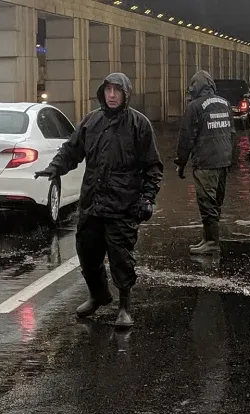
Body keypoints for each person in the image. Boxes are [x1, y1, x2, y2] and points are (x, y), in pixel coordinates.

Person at [34, 73, 163, 328]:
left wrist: (147, 198)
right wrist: (55, 167)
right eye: (108, 90)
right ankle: (98, 295)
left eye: (117, 90)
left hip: (123, 206)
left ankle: (124, 307)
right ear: (102, 93)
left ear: (126, 94)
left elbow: (153, 167)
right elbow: (72, 150)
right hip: (92, 203)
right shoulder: (91, 122)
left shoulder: (139, 125)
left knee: (121, 258)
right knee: (86, 252)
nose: (112, 95)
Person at [174, 70, 235, 254]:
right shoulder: (225, 103)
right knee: (216, 202)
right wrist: (229, 158)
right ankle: (208, 239)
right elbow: (232, 134)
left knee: (206, 202)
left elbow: (186, 138)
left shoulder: (195, 107)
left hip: (206, 163)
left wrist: (181, 162)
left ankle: (211, 242)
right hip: (223, 162)